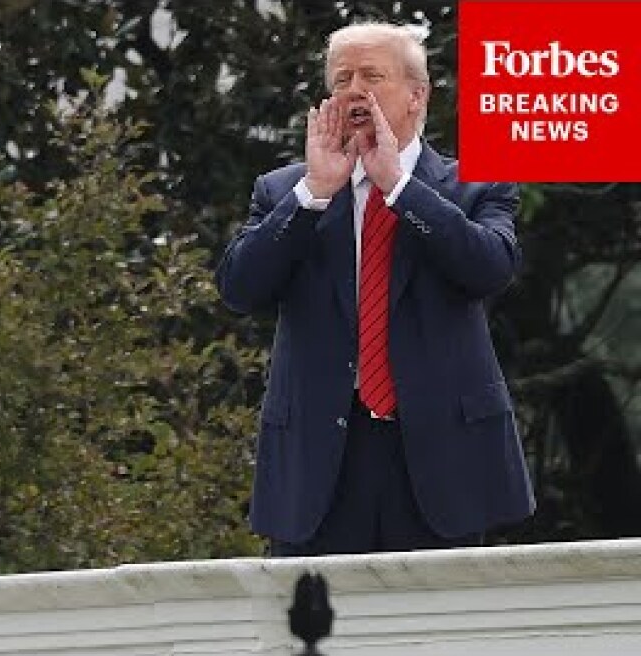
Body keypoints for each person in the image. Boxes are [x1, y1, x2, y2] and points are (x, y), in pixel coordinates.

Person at [215, 22, 534, 556]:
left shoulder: (479, 182)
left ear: (417, 95)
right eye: (342, 79)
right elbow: (239, 289)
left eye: (372, 75)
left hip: (441, 458)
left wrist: (401, 189)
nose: (355, 89)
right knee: (319, 635)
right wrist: (314, 193)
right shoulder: (284, 191)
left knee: (437, 633)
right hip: (322, 461)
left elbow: (490, 269)